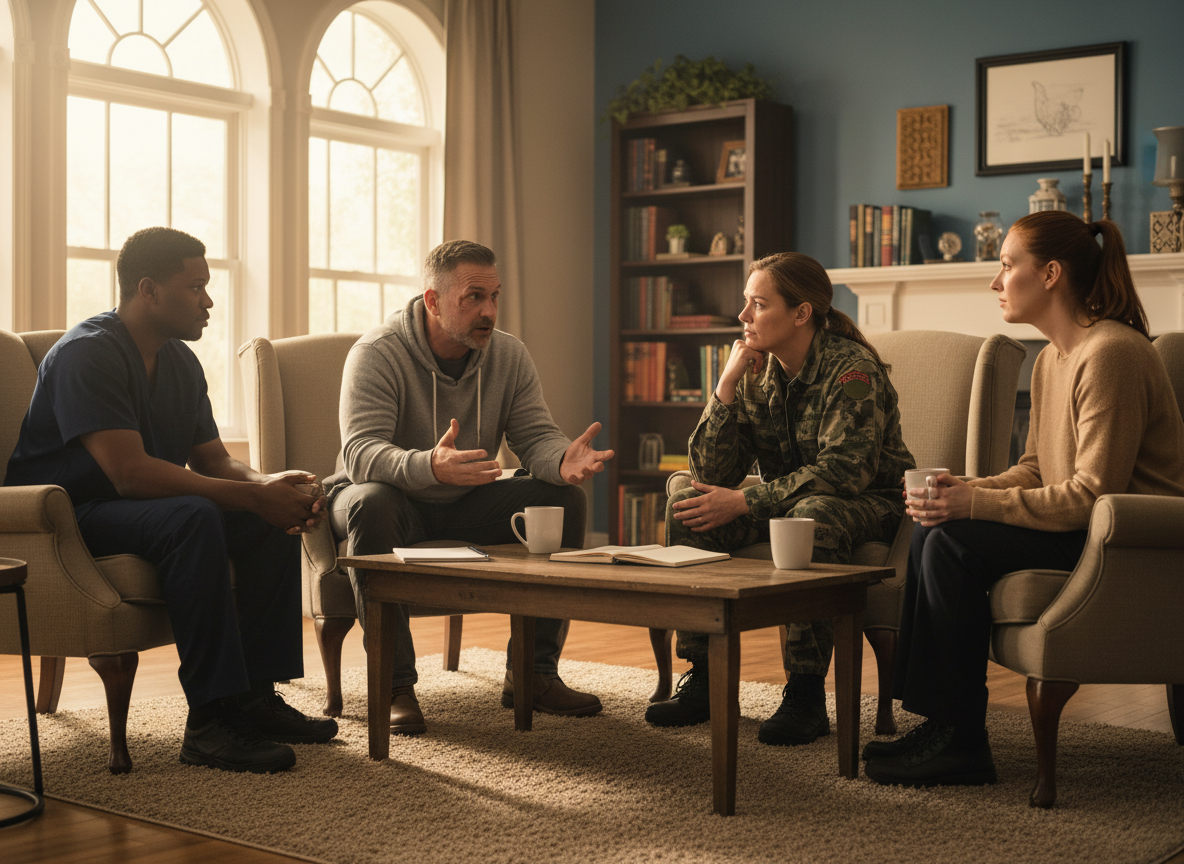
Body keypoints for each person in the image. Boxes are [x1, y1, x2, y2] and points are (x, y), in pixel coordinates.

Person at [864, 211, 1184, 788]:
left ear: (1052, 274)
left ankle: (960, 740)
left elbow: (1093, 495)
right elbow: (1037, 469)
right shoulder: (1052, 360)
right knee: (937, 526)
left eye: (1008, 265)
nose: (995, 281)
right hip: (1085, 530)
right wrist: (963, 491)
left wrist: (971, 508)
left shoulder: (1110, 353)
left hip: (1130, 545)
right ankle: (945, 727)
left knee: (952, 539)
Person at [5, 227, 338, 774]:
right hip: (63, 519)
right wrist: (253, 497)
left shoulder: (179, 362)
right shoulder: (87, 355)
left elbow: (214, 461)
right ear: (149, 290)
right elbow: (130, 474)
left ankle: (252, 698)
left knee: (265, 519)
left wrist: (270, 487)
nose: (209, 301)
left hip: (139, 512)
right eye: (196, 287)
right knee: (195, 516)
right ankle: (209, 722)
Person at [327, 239, 614, 735]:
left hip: (467, 499)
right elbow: (360, 453)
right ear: (433, 300)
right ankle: (394, 685)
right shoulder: (377, 353)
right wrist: (430, 467)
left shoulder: (508, 355)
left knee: (563, 498)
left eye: (495, 297)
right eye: (474, 297)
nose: (490, 311)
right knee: (371, 504)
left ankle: (534, 673)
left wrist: (561, 459)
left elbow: (535, 436)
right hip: (385, 498)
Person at [646, 252, 914, 745]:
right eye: (745, 303)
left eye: (758, 304)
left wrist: (747, 502)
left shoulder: (852, 371)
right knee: (686, 501)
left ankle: (806, 694)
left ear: (801, 313)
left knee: (812, 516)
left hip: (871, 505)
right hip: (787, 503)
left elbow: (845, 471)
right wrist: (725, 386)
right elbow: (711, 473)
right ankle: (704, 677)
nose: (743, 316)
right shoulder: (754, 374)